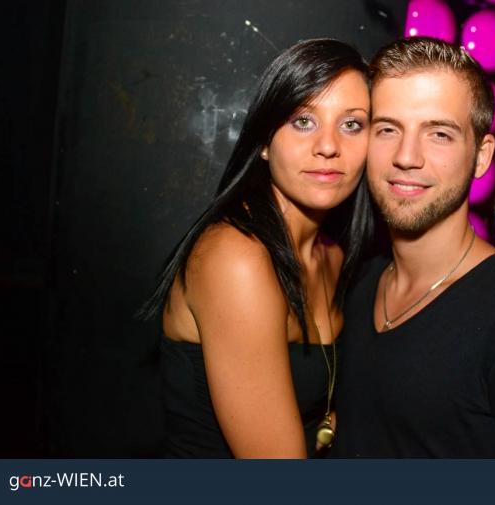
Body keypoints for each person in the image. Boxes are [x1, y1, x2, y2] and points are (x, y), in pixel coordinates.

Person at [332, 37, 495, 458]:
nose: (406, 156)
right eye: (388, 129)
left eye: (439, 134)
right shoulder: (359, 282)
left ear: (481, 156)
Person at [139, 39, 374, 458]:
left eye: (352, 124)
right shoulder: (236, 258)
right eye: (303, 121)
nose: (328, 146)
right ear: (264, 141)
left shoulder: (336, 257)